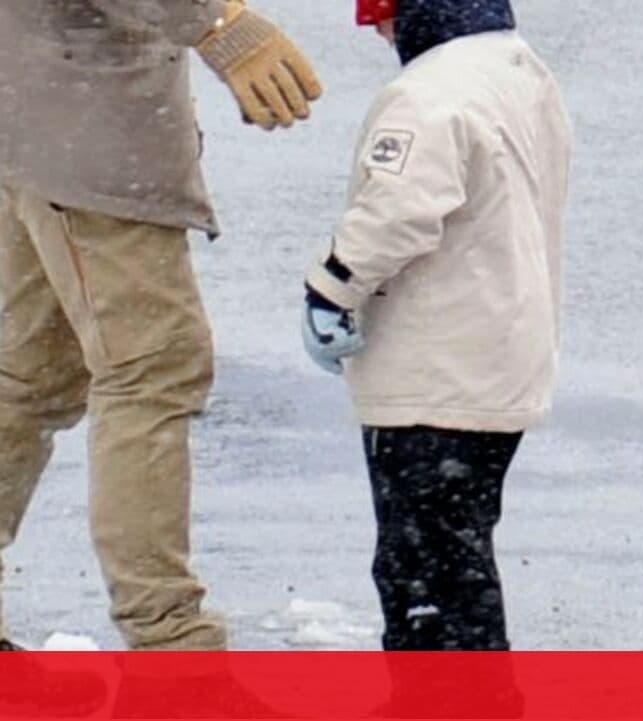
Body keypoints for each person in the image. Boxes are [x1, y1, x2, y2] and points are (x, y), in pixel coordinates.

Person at [0, 0, 321, 652]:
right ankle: (172, 651)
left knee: (35, 373)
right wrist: (222, 26)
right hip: (85, 134)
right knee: (153, 368)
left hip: (41, 117)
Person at [302, 0, 571, 652]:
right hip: (501, 356)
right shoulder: (521, 73)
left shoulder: (430, 94)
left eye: (383, 17)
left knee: (423, 571)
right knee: (456, 551)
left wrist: (331, 287)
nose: (382, 35)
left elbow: (397, 210)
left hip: (435, 372)